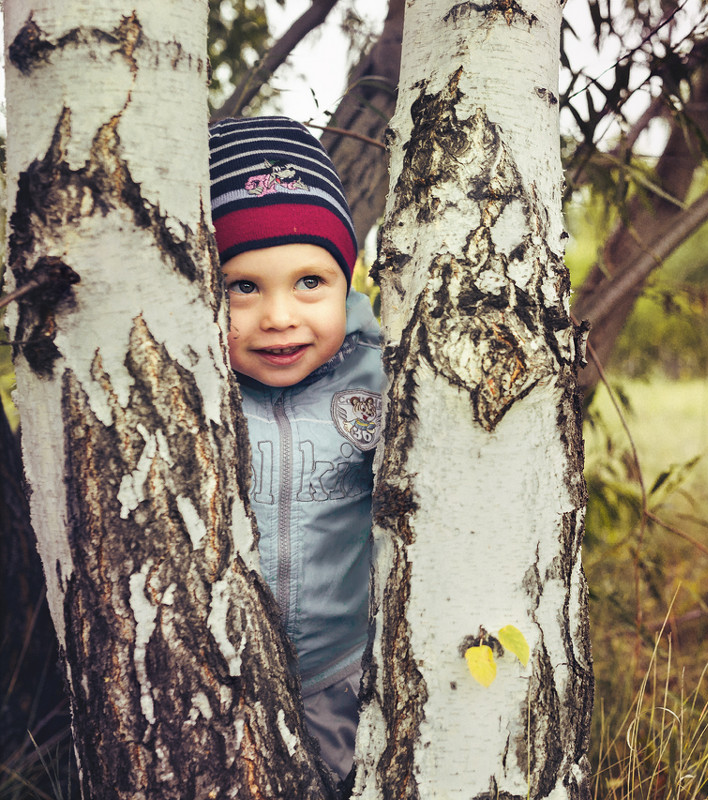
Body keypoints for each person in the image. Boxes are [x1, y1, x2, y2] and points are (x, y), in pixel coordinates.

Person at [208, 116, 382, 781]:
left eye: (310, 281)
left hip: (347, 673)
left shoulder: (383, 376)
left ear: (348, 280)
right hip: (221, 677)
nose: (279, 317)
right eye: (243, 287)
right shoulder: (192, 391)